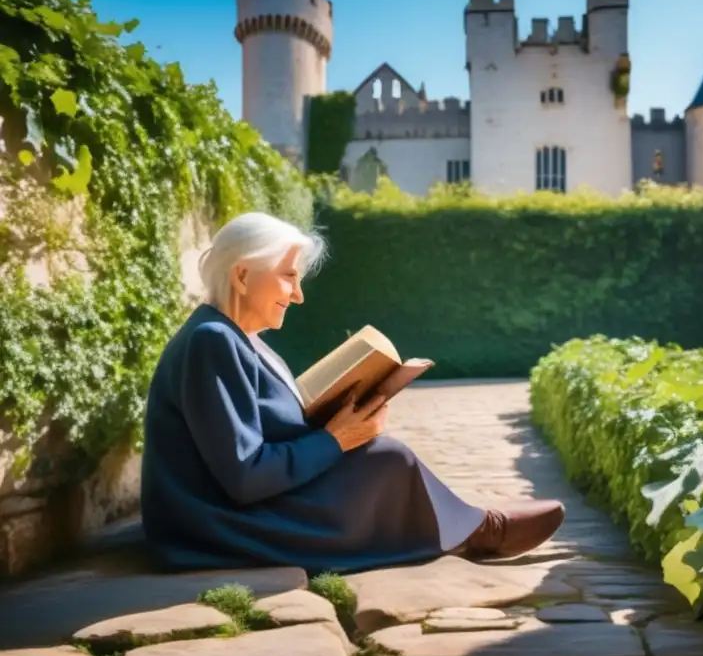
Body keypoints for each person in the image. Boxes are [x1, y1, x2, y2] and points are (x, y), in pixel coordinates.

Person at [140, 212, 565, 574]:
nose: (298, 295)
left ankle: (470, 526)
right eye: (289, 277)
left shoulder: (233, 337)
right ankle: (478, 532)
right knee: (387, 460)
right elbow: (245, 475)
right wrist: (335, 439)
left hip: (226, 508)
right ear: (243, 274)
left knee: (380, 458)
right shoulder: (212, 341)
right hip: (215, 526)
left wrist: (344, 418)